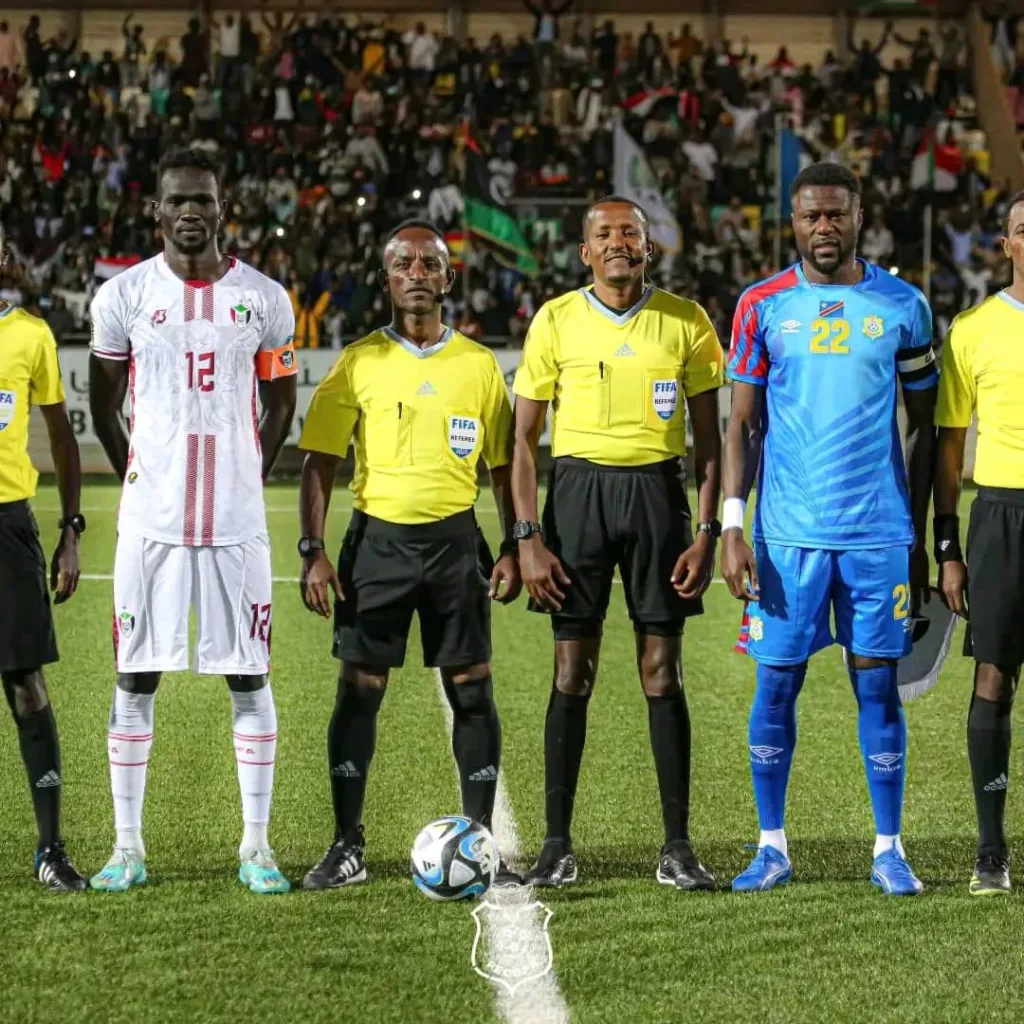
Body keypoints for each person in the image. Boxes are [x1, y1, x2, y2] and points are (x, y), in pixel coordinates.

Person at [722, 163, 937, 895]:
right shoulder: (761, 304)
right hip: (787, 538)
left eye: (836, 214)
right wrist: (732, 525)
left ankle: (889, 849)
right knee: (775, 686)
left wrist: (918, 535)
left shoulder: (904, 305)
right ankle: (771, 847)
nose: (824, 227)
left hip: (877, 537)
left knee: (877, 689)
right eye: (811, 216)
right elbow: (742, 424)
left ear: (859, 217)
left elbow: (924, 427)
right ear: (794, 222)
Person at [87, 148, 298, 894]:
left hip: (236, 526)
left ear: (221, 208)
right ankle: (127, 848)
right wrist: (140, 474)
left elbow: (280, 401)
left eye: (202, 200)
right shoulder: (123, 296)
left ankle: (257, 847)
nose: (189, 212)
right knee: (135, 676)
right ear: (155, 211)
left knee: (249, 674)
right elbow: (104, 402)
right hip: (152, 525)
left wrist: (248, 470)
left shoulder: (265, 298)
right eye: (176, 200)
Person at [297, 220, 522, 890]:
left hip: (456, 543)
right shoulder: (359, 361)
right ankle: (346, 844)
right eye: (404, 264)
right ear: (387, 278)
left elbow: (505, 466)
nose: (417, 273)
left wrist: (514, 545)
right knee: (359, 691)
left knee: (472, 689)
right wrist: (313, 551)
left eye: (430, 263)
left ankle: (479, 841)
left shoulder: (478, 365)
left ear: (449, 277)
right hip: (378, 545)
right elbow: (319, 462)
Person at [511, 196, 724, 890]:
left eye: (629, 231)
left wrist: (707, 531)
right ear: (585, 252)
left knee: (662, 670)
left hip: (658, 496)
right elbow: (522, 440)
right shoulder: (555, 319)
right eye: (603, 234)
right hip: (577, 497)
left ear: (648, 245)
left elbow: (711, 442)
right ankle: (556, 847)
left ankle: (677, 848)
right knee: (572, 670)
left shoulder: (687, 321)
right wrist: (528, 537)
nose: (618, 242)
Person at [933, 189, 1024, 897]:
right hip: (1001, 517)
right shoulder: (973, 329)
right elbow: (948, 445)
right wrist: (948, 546)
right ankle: (991, 850)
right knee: (993, 677)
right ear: (1007, 244)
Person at [0, 231, 86, 890]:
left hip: (8, 525)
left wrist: (70, 530)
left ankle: (50, 849)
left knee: (27, 686)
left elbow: (60, 435)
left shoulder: (30, 335)